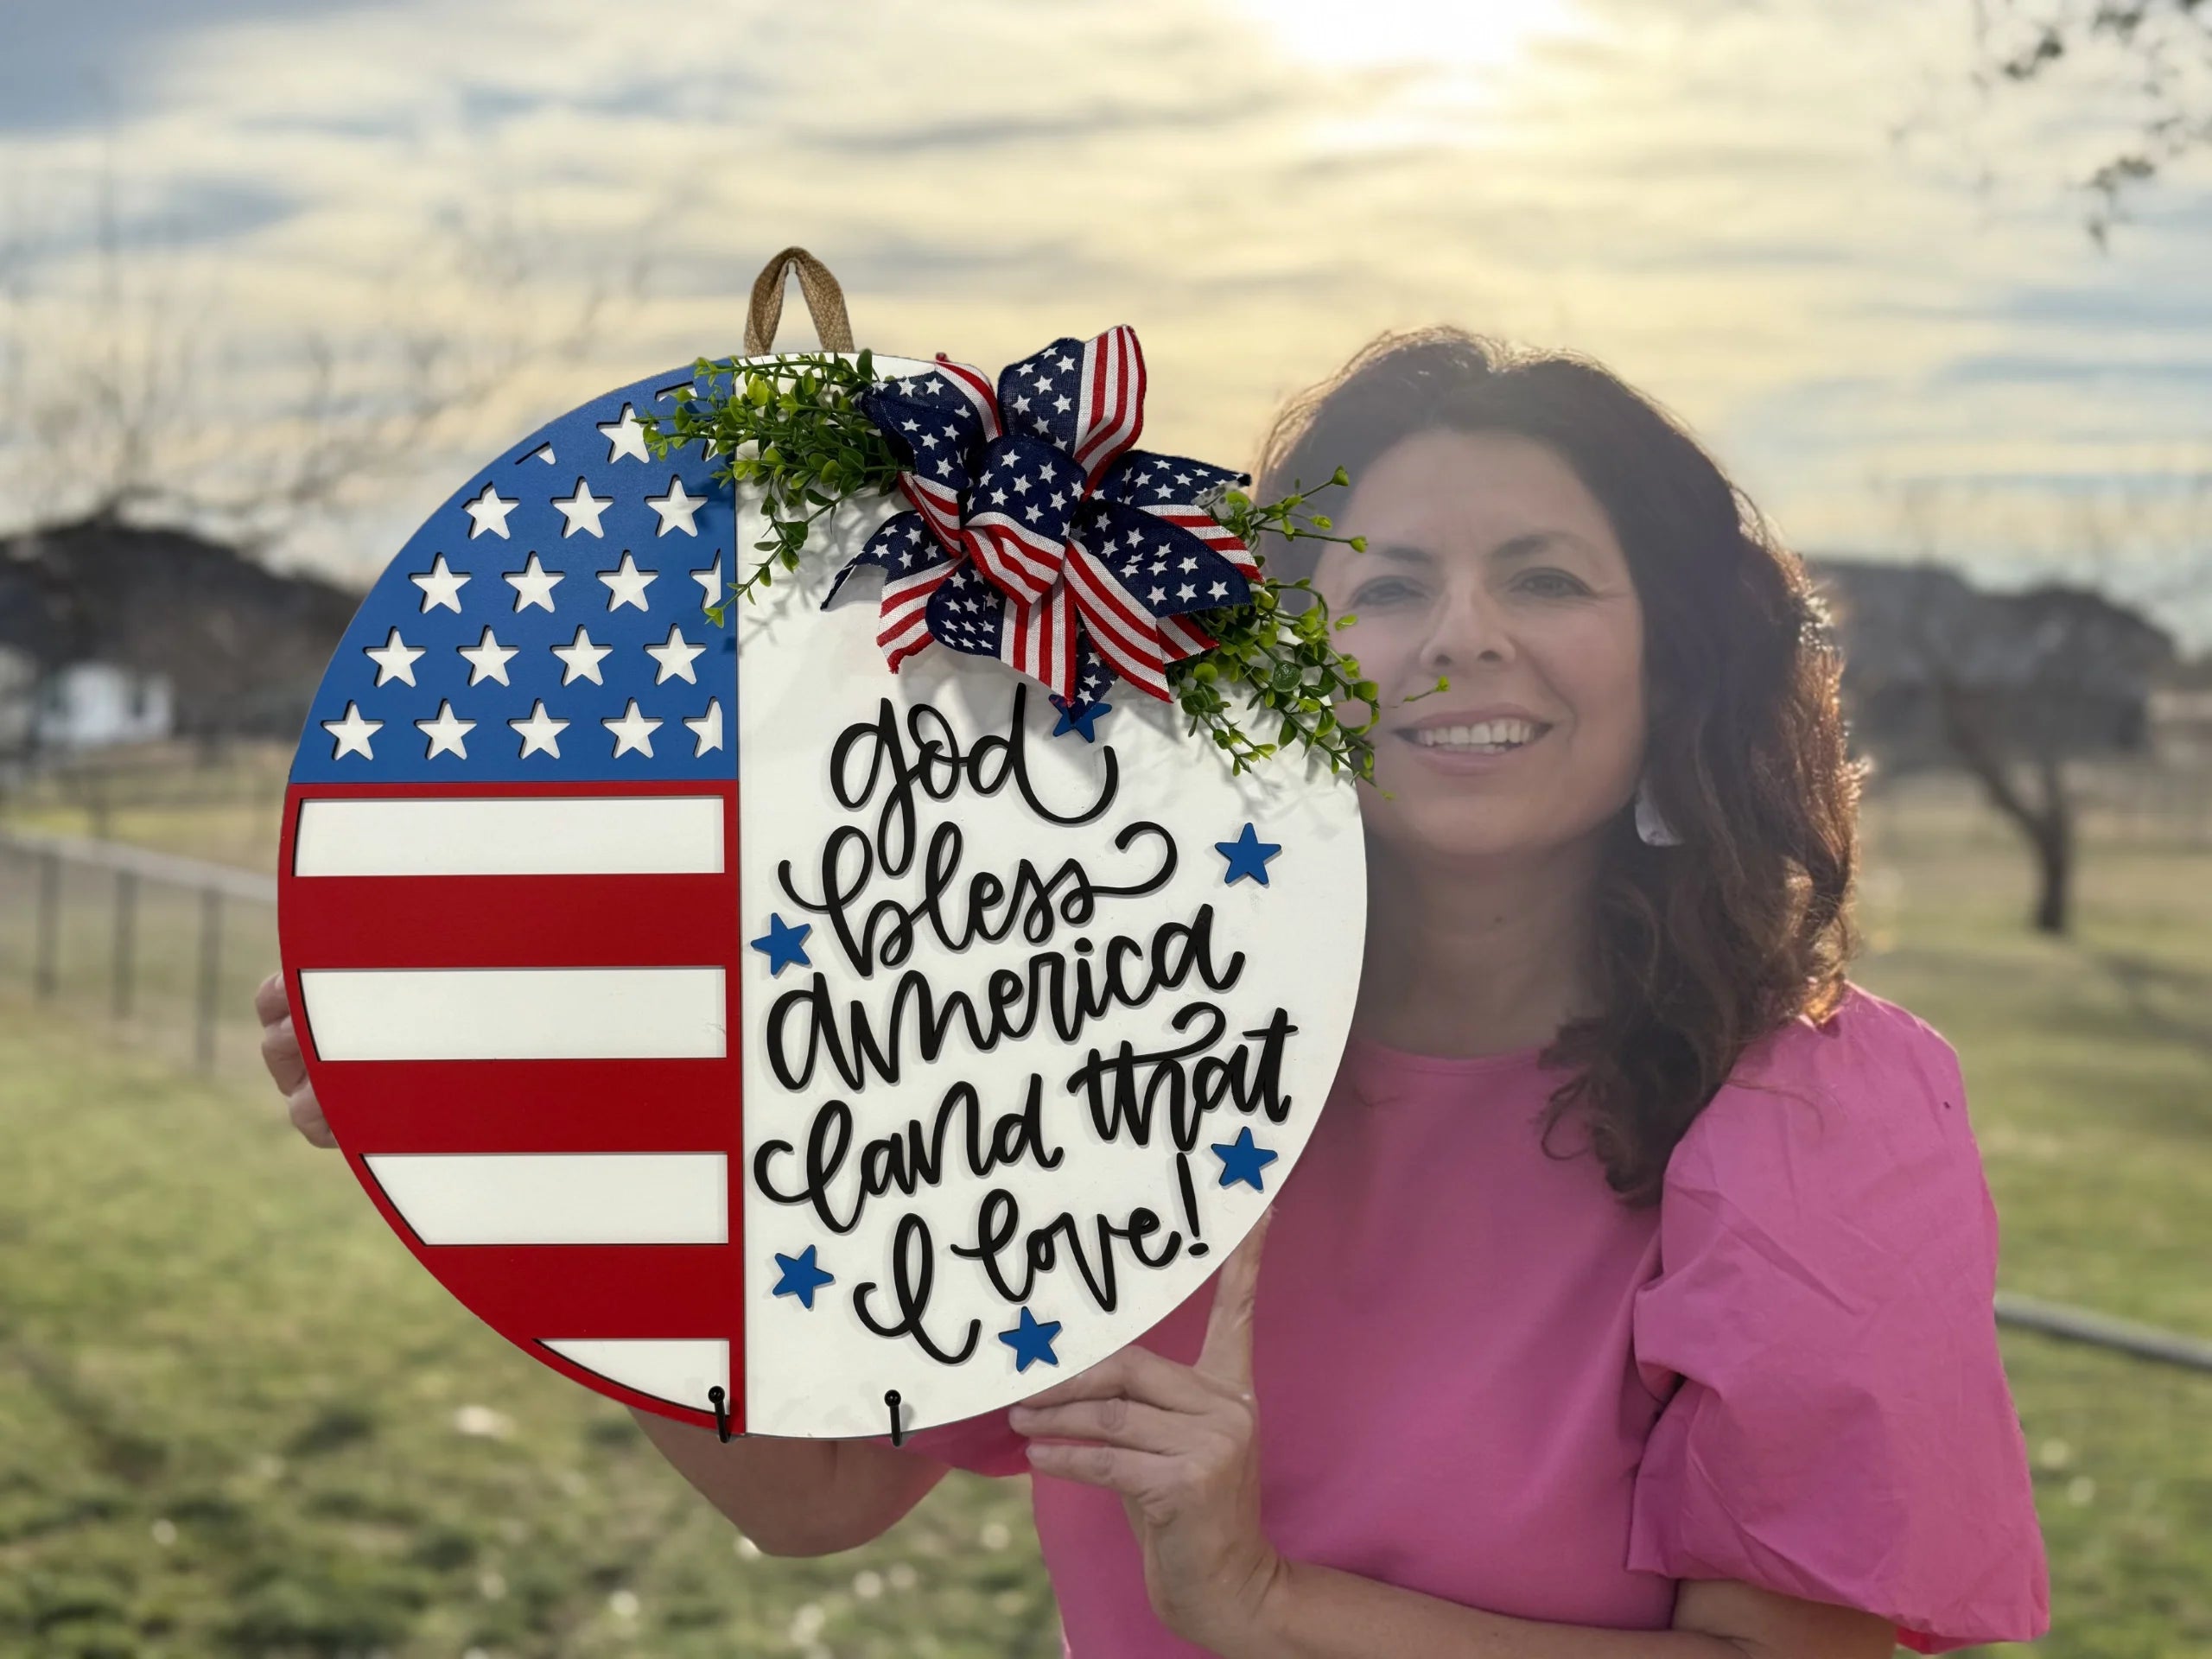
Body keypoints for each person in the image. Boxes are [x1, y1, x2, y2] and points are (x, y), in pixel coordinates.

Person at [255, 327, 2051, 1658]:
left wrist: (1265, 1604)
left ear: (1676, 662)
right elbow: (816, 1493)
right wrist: (531, 1171)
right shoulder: (1098, 1030)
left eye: (1547, 578)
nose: (1461, 637)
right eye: (1384, 587)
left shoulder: (1815, 1114)